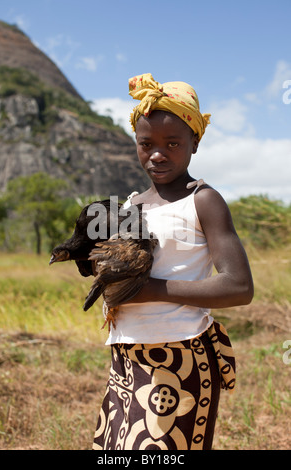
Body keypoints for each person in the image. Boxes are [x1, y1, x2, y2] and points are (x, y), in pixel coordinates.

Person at [92, 73, 254, 451]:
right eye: (146, 143)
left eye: (173, 143)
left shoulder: (203, 200)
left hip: (178, 354)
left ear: (195, 143)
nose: (158, 154)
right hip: (128, 354)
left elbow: (238, 286)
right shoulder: (131, 205)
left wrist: (149, 291)